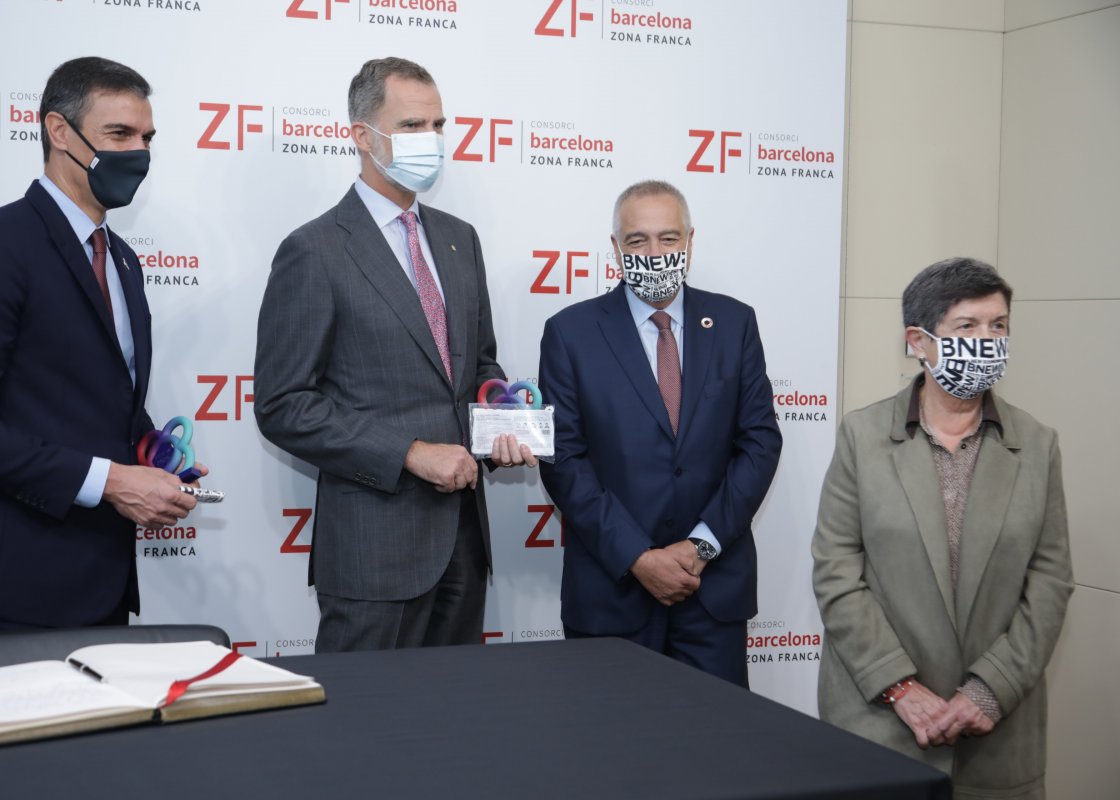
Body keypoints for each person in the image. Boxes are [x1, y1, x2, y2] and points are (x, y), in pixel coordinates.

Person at [255, 57, 533, 653]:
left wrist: (504, 424)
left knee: (455, 709)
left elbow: (479, 367)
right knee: (366, 713)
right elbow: (283, 405)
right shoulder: (314, 250)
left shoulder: (459, 239)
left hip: (464, 542)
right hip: (372, 554)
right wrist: (408, 453)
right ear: (363, 135)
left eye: (438, 125)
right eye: (411, 126)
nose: (430, 140)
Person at [0, 57, 204, 635]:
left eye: (147, 138)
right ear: (59, 131)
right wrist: (113, 481)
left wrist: (151, 454)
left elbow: (96, 396)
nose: (139, 153)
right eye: (119, 134)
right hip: (13, 589)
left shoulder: (122, 259)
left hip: (105, 579)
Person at [812, 257, 1073, 799]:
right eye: (967, 326)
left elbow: (1050, 581)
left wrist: (989, 689)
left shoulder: (1037, 444)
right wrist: (899, 687)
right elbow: (837, 571)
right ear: (919, 341)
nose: (987, 341)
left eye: (998, 325)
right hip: (879, 721)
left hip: (997, 731)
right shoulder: (862, 436)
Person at [538, 180, 782, 684]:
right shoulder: (570, 333)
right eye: (638, 240)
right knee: (613, 736)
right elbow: (563, 460)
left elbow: (759, 443)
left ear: (690, 241)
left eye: (668, 238)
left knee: (715, 733)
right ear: (615, 248)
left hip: (712, 593)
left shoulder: (735, 323)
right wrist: (638, 557)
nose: (654, 252)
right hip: (612, 595)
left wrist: (700, 547)